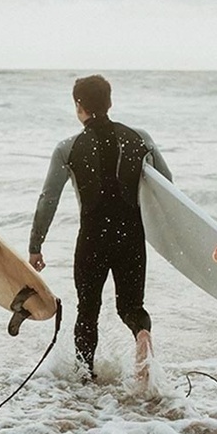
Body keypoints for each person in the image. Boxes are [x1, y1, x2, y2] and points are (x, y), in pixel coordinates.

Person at [28, 75, 172, 385]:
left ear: (79, 107)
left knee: (88, 309)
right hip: (131, 236)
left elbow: (48, 199)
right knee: (132, 307)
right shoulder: (140, 139)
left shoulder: (68, 147)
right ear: (109, 103)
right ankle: (142, 334)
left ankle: (85, 380)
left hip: (93, 237)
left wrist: (36, 244)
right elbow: (168, 186)